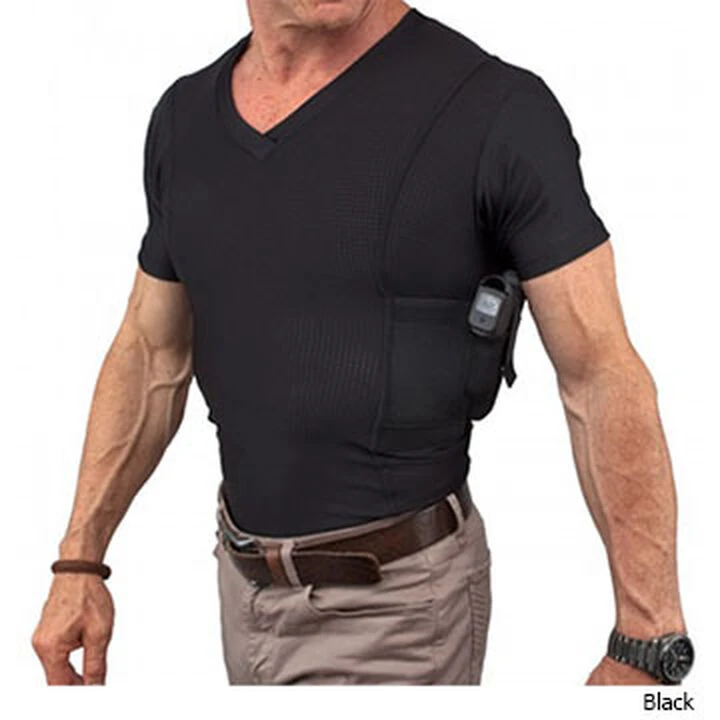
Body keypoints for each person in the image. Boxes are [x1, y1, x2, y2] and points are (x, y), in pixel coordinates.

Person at [32, 0, 690, 685]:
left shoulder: (495, 109)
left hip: (396, 610)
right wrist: (79, 560)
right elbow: (151, 351)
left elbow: (599, 371)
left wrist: (647, 641)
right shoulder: (185, 118)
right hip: (240, 589)